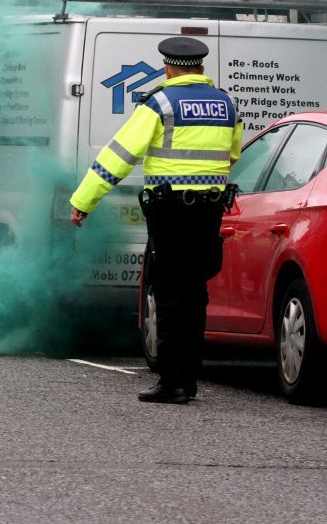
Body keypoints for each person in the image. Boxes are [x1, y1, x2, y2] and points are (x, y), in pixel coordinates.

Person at [69, 37, 242, 404]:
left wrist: (84, 200)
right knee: (196, 293)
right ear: (200, 68)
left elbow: (119, 155)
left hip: (171, 211)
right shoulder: (227, 104)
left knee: (167, 292)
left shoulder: (160, 102)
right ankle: (189, 378)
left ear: (168, 67)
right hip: (210, 211)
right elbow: (232, 155)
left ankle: (171, 382)